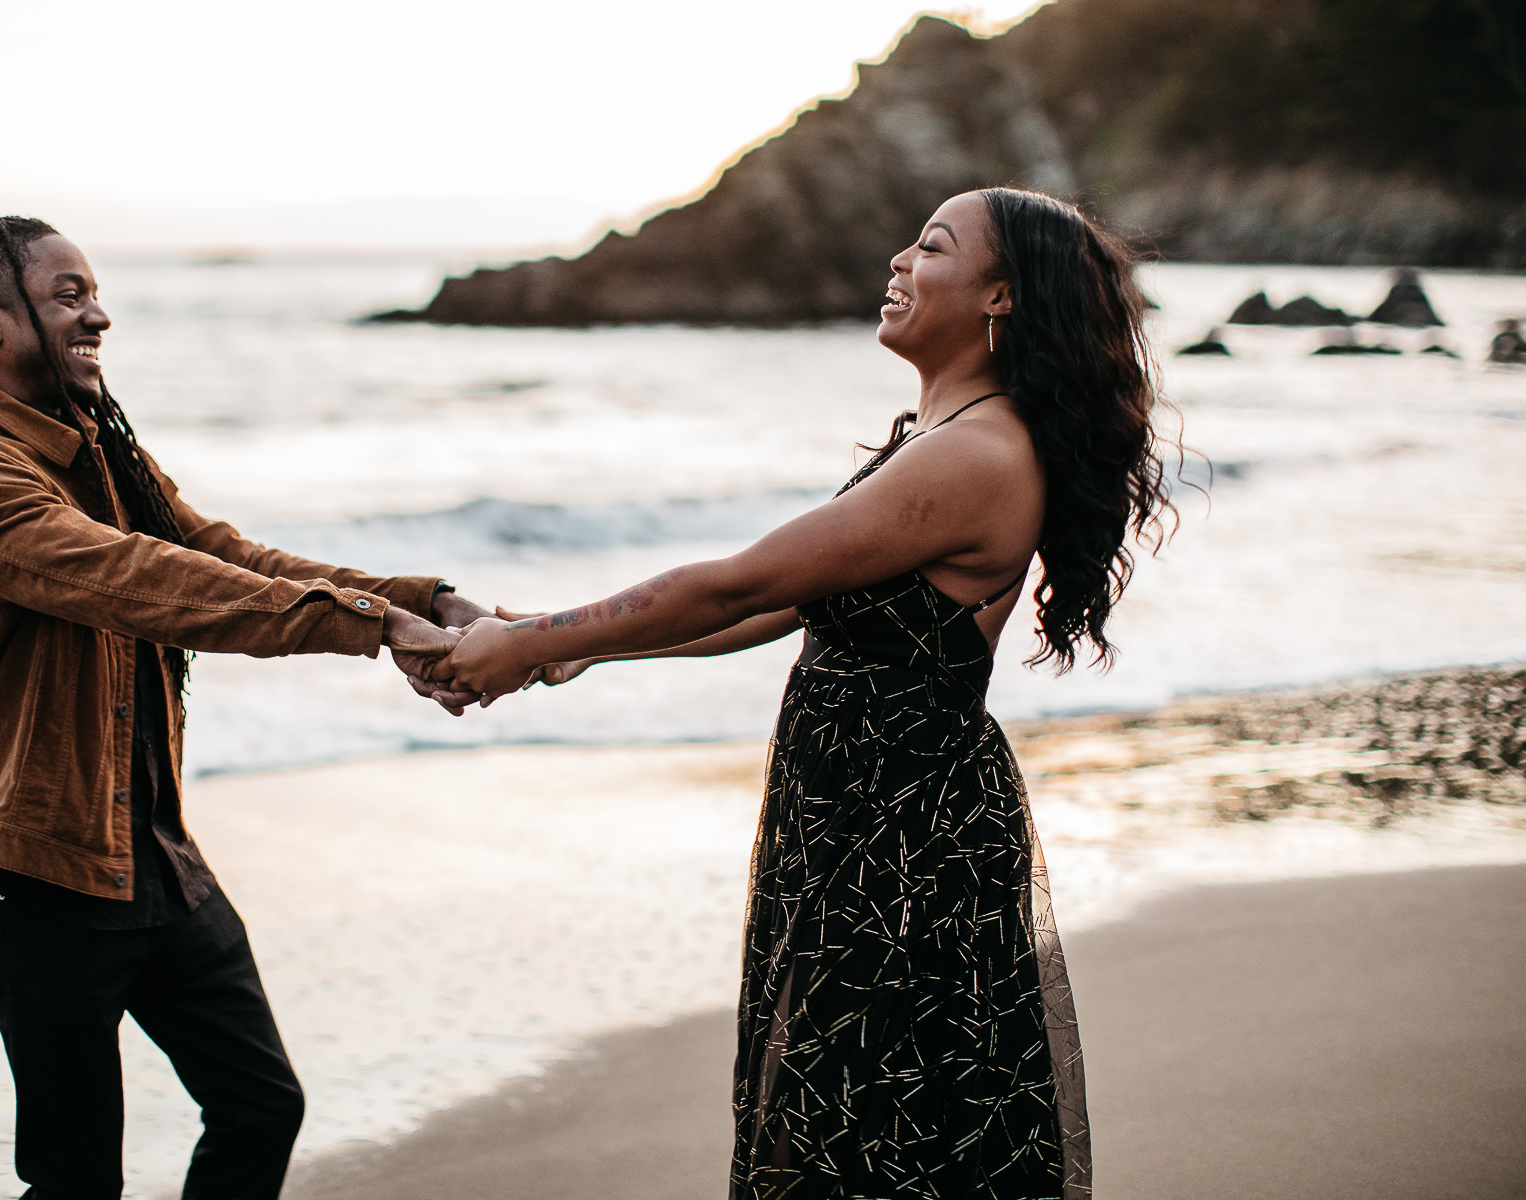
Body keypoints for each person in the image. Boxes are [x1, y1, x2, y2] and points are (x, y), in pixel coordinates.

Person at [429, 187, 1177, 1199]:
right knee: (851, 1112)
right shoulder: (944, 433)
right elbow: (788, 611)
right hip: (865, 821)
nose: (899, 261)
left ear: (999, 297)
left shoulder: (974, 453)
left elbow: (745, 580)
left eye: (932, 247)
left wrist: (526, 641)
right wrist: (578, 649)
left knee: (873, 1125)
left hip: (902, 838)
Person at [0, 214, 494, 1200]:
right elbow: (145, 581)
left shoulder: (96, 444)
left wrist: (415, 600)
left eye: (93, 291)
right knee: (74, 1180)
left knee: (259, 1106)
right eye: (66, 295)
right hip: (43, 872)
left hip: (153, 857)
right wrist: (369, 629)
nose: (97, 313)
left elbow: (222, 557)